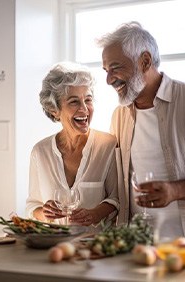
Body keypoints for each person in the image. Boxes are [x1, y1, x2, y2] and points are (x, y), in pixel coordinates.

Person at [96, 21, 185, 241]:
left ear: (145, 61)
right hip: (138, 251)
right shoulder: (119, 116)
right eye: (106, 71)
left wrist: (176, 191)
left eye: (115, 68)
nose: (108, 80)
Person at [26, 62, 119, 227]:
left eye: (88, 100)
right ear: (54, 110)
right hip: (52, 245)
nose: (84, 109)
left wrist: (96, 213)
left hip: (96, 246)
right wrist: (44, 213)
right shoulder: (40, 152)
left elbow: (116, 198)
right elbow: (33, 205)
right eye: (74, 102)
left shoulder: (108, 145)